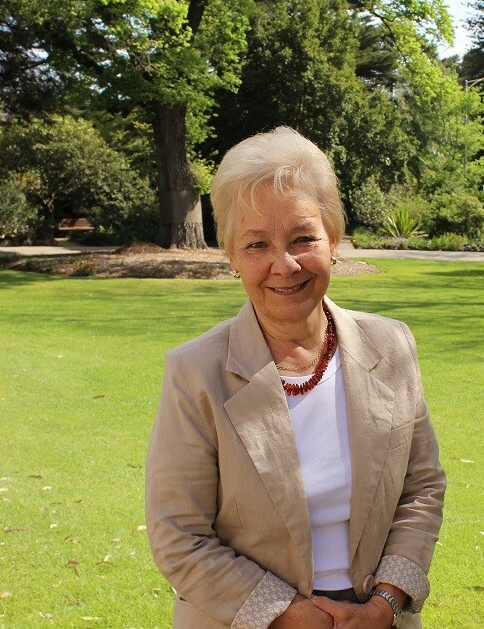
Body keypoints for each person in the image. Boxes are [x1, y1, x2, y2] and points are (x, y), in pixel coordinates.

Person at [145, 127, 446, 628]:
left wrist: (384, 605)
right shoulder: (195, 372)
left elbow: (421, 488)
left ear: (333, 241)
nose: (282, 265)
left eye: (303, 237)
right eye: (256, 243)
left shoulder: (391, 346)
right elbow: (180, 535)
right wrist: (287, 616)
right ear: (233, 258)